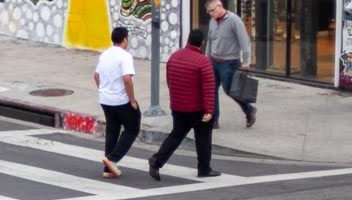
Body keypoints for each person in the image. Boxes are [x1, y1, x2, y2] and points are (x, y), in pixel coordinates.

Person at [148, 29, 220, 181]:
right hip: (197, 108)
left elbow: (169, 81)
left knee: (176, 135)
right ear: (202, 43)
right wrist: (209, 110)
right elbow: (209, 89)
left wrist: (175, 99)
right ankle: (204, 168)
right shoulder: (203, 61)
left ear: (188, 40)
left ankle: (157, 160)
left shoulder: (174, 57)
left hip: (179, 107)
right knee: (203, 138)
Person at [93, 26, 140, 179]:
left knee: (112, 130)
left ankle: (108, 169)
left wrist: (104, 90)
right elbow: (127, 79)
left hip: (105, 100)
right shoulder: (125, 56)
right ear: (125, 39)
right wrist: (132, 100)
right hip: (121, 100)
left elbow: (96, 76)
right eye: (128, 38)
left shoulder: (105, 54)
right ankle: (113, 159)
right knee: (132, 128)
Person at [205, 0, 256, 128]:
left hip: (229, 62)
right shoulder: (212, 21)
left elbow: (244, 42)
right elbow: (210, 41)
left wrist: (246, 61)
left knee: (230, 91)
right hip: (213, 60)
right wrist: (206, 59)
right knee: (211, 90)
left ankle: (249, 110)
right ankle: (214, 120)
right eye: (208, 11)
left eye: (212, 10)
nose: (210, 14)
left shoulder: (234, 20)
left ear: (220, 6)